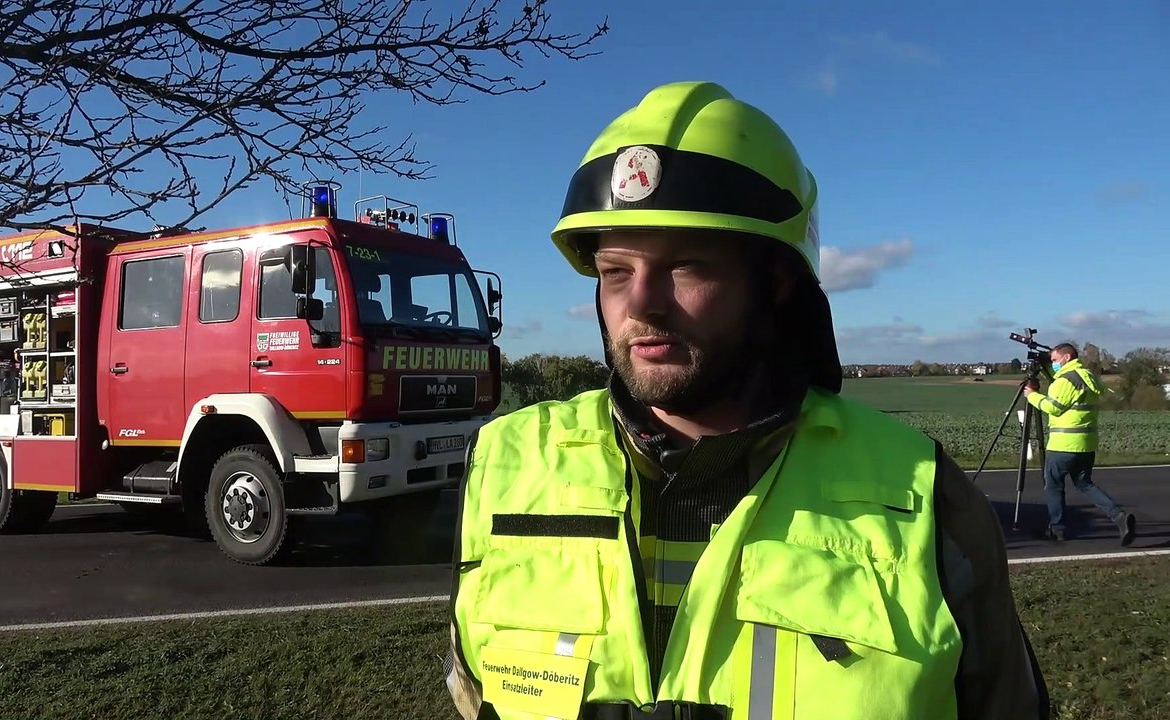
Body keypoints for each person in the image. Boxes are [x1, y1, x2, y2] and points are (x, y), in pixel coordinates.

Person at [444, 81, 1050, 719]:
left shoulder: (926, 495)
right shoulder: (504, 464)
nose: (641, 304)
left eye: (688, 266)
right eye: (616, 271)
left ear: (778, 281)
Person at [1024, 343, 1136, 544]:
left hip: (1062, 445)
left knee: (1054, 486)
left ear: (1067, 358)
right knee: (1084, 484)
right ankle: (1119, 517)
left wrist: (1031, 396)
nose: (1053, 364)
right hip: (1086, 444)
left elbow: (1054, 407)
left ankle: (1057, 529)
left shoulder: (1065, 381)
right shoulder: (1086, 376)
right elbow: (1067, 391)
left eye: (1055, 360)